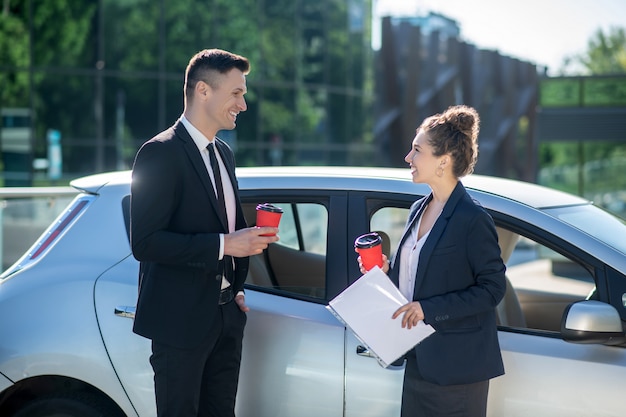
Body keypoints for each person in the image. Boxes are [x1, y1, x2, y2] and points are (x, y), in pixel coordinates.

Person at [130, 48, 279, 417]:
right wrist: (226, 245)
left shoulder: (224, 153)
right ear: (203, 91)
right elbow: (145, 242)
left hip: (226, 317)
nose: (243, 105)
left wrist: (234, 285)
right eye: (236, 93)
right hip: (179, 323)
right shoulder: (158, 153)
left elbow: (220, 224)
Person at [358, 105, 506, 417]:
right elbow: (418, 280)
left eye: (416, 150)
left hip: (457, 370)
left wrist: (428, 309)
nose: (407, 158)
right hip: (419, 362)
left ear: (443, 161)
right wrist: (385, 273)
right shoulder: (417, 210)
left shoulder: (473, 218)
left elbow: (492, 289)